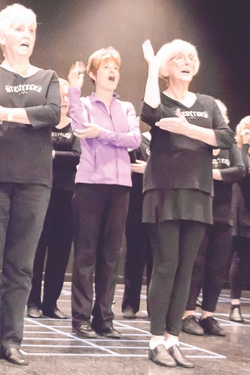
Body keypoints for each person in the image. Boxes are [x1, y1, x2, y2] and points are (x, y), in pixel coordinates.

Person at [0, 4, 61, 366]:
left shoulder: (48, 76)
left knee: (21, 265)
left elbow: (53, 114)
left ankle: (12, 341)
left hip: (33, 180)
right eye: (18, 29)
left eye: (30, 30)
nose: (26, 36)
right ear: (2, 37)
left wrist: (4, 114)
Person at [141, 39, 234, 368]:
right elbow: (149, 113)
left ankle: (173, 338)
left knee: (186, 269)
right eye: (177, 57)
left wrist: (187, 129)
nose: (185, 61)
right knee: (166, 266)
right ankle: (155, 340)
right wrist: (152, 68)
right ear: (167, 67)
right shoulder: (161, 98)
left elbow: (224, 137)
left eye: (190, 57)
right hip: (164, 190)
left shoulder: (207, 103)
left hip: (198, 193)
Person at [67, 47, 141, 340]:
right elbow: (78, 128)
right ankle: (81, 319)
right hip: (90, 185)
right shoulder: (84, 103)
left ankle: (104, 319)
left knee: (111, 256)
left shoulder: (126, 108)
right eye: (106, 67)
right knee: (85, 255)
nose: (113, 72)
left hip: (121, 187)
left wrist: (103, 135)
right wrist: (73, 91)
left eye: (116, 68)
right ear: (94, 75)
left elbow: (134, 139)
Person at [182, 100, 244, 337]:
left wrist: (211, 174)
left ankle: (208, 315)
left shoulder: (230, 147)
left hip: (223, 215)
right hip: (199, 211)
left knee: (217, 267)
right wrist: (217, 176)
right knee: (195, 265)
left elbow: (239, 170)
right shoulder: (197, 143)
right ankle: (187, 314)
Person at [27, 78, 80, 320]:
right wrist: (59, 155)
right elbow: (36, 153)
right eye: (61, 96)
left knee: (60, 252)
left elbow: (77, 156)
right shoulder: (42, 124)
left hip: (68, 194)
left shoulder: (76, 126)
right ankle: (32, 302)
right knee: (37, 250)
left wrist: (53, 154)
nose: (65, 101)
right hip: (42, 191)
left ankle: (51, 303)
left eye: (69, 96)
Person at [122, 121, 153, 319]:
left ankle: (155, 306)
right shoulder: (139, 140)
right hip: (136, 204)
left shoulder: (169, 144)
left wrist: (149, 168)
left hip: (161, 205)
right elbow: (131, 166)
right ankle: (130, 304)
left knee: (158, 258)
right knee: (134, 255)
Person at [229, 115, 250, 323]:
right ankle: (235, 304)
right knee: (240, 257)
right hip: (243, 209)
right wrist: (245, 146)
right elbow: (244, 172)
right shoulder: (236, 151)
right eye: (247, 130)